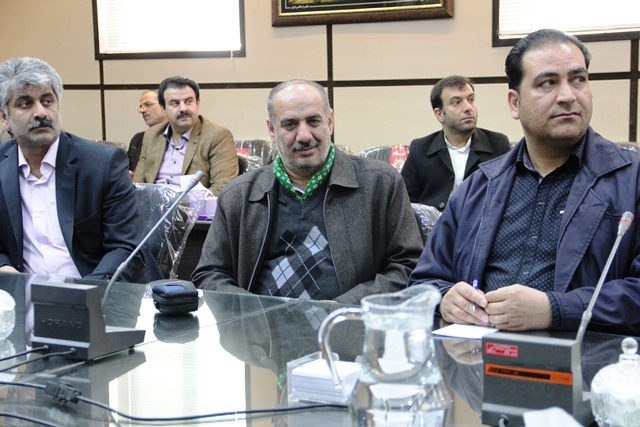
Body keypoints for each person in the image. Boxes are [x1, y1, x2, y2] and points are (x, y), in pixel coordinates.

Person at [408, 29, 640, 336]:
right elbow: (423, 281)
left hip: (585, 356)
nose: (568, 95)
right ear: (514, 103)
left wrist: (555, 309)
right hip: (475, 356)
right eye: (548, 83)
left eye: (578, 80)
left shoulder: (631, 179)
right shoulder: (480, 186)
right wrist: (444, 299)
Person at [192, 79, 423, 304]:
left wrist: (344, 308)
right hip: (261, 329)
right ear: (272, 129)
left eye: (313, 121)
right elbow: (210, 275)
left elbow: (408, 266)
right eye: (290, 124)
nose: (304, 136)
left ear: (330, 122)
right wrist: (256, 313)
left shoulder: (380, 184)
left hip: (350, 325)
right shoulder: (238, 196)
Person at [0, 57, 160, 282]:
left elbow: (125, 247)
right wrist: (6, 271)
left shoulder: (103, 163)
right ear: (5, 118)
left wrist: (83, 295)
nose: (41, 113)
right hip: (25, 295)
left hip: (99, 290)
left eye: (47, 101)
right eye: (25, 103)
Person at [401, 75, 511, 211]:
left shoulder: (498, 144)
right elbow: (405, 202)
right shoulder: (421, 148)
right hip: (435, 223)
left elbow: (509, 195)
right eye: (456, 102)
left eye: (471, 100)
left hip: (482, 221)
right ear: (439, 114)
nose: (468, 108)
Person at [133, 76, 238, 196]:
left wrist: (181, 204)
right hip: (151, 205)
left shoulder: (217, 135)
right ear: (163, 108)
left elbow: (223, 189)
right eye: (175, 103)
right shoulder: (151, 135)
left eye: (188, 101)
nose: (183, 108)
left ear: (198, 103)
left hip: (193, 206)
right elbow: (137, 186)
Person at [127, 89, 167, 173]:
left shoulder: (177, 138)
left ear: (164, 106)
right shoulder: (137, 139)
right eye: (141, 106)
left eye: (148, 104)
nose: (142, 110)